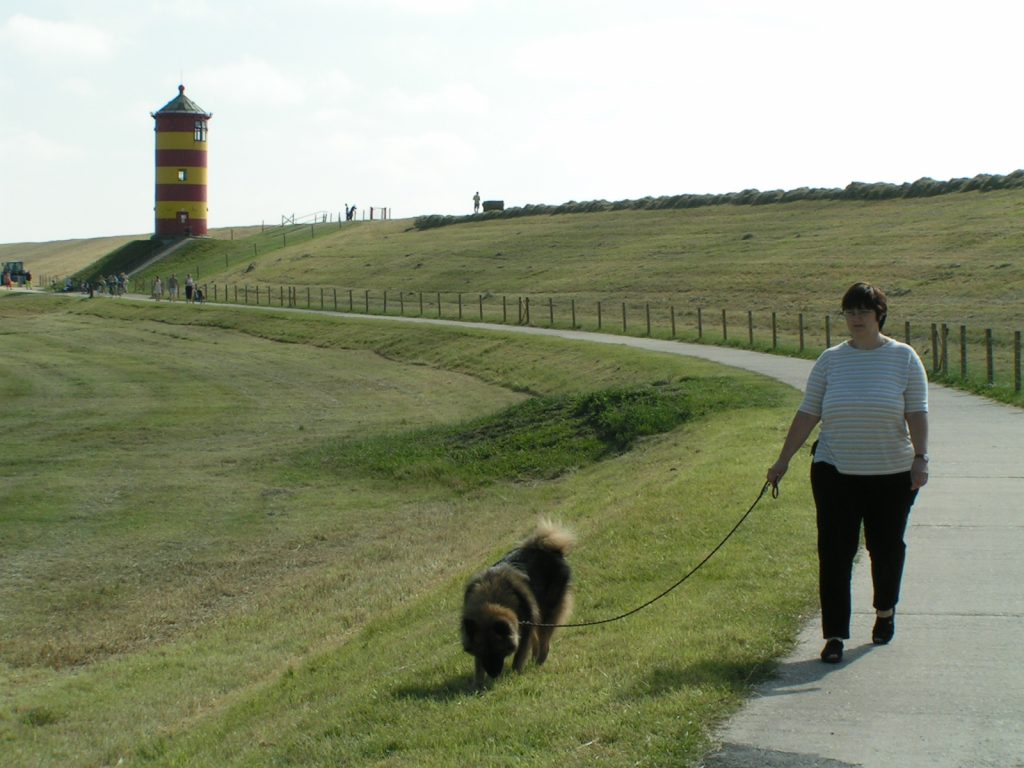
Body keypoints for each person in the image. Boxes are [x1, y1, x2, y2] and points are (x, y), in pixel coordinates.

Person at [766, 282, 929, 664]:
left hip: (891, 474)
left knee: (886, 549)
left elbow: (917, 412)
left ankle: (885, 610)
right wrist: (783, 459)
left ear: (879, 315)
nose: (856, 319)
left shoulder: (903, 358)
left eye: (863, 311)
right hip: (835, 470)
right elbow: (809, 412)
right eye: (849, 312)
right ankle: (835, 634)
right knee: (835, 553)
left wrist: (921, 457)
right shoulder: (830, 360)